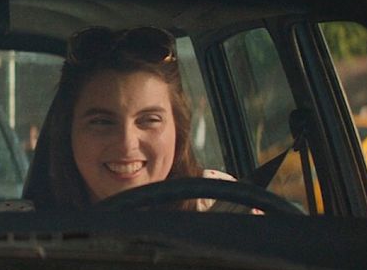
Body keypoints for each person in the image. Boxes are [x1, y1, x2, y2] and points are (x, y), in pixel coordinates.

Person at [20, 25, 243, 212]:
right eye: (102, 122)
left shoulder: (223, 206)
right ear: (67, 129)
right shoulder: (14, 233)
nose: (127, 143)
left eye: (149, 120)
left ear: (179, 127)